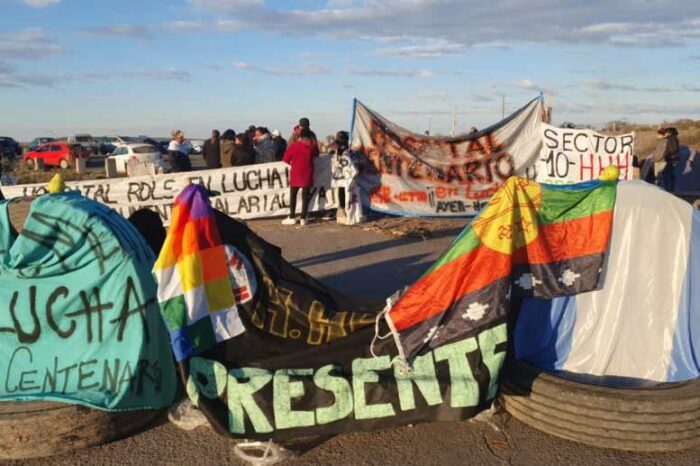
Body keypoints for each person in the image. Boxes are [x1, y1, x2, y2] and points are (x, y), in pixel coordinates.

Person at [282, 128, 319, 226]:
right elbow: (316, 156)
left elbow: (285, 159)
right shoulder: (313, 147)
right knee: (305, 197)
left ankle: (292, 216)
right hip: (307, 173)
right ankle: (303, 218)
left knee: (293, 196)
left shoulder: (294, 146)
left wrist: (293, 162)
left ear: (300, 136)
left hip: (296, 174)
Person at [651, 127, 680, 192]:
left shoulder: (672, 139)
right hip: (671, 159)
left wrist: (665, 154)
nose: (665, 133)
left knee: (668, 175)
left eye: (666, 132)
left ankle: (669, 189)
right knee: (668, 175)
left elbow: (673, 149)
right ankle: (669, 189)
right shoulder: (672, 138)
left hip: (672, 159)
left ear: (670, 132)